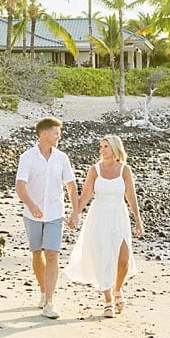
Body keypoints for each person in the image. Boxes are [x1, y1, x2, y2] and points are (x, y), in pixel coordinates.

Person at [66, 135, 145, 318]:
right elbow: (85, 195)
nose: (102, 150)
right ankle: (108, 300)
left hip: (119, 215)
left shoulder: (125, 170)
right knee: (103, 257)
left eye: (106, 147)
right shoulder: (94, 170)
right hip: (99, 215)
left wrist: (138, 220)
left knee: (123, 258)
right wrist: (75, 213)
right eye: (101, 146)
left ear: (115, 149)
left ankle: (118, 289)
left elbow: (131, 196)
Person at [14, 117, 77, 319]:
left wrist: (75, 212)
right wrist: (31, 205)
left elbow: (71, 186)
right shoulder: (28, 157)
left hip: (55, 214)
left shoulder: (62, 158)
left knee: (52, 254)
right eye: (56, 133)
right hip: (32, 214)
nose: (59, 137)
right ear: (44, 134)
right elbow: (20, 186)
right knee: (37, 253)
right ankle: (42, 291)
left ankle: (50, 302)